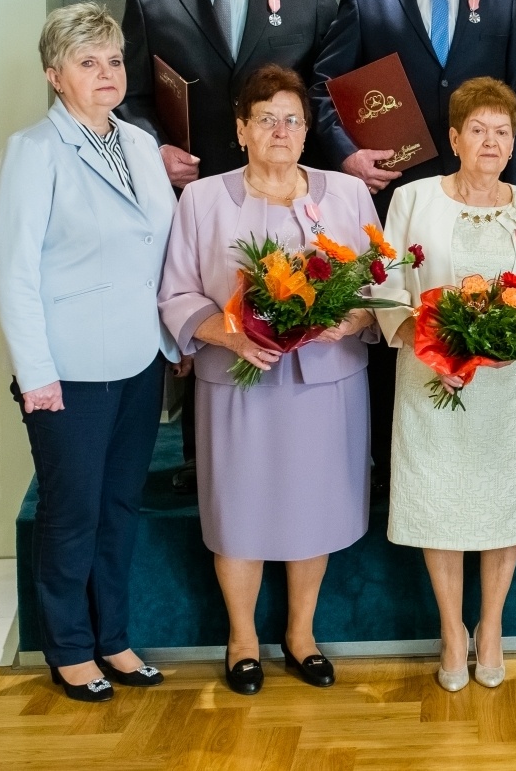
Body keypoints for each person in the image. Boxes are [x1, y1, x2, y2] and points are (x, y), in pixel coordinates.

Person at [311, 0, 516, 493]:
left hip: (486, 201)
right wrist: (347, 157)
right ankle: (394, 475)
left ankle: (482, 473)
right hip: (399, 198)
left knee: (488, 320)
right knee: (398, 326)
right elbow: (324, 89)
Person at [158, 65, 381, 697]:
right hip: (239, 379)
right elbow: (177, 292)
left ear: (307, 132)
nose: (280, 131)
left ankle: (301, 636)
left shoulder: (346, 194)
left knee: (316, 503)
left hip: (326, 380)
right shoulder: (202, 199)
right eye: (265, 119)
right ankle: (243, 640)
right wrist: (229, 335)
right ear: (241, 130)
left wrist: (354, 317)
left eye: (292, 120)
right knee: (239, 509)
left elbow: (382, 282)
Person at [118, 0, 338, 494]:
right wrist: (156, 149)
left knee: (296, 308)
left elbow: (327, 91)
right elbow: (130, 95)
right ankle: (202, 460)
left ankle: (306, 453)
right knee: (211, 317)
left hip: (286, 187)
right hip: (200, 191)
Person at [0, 2, 178, 701]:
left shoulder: (138, 143)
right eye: (87, 61)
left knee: (120, 506)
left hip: (139, 357)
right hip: (66, 368)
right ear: (54, 74)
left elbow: (161, 249)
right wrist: (35, 374)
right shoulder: (34, 151)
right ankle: (69, 647)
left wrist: (172, 340)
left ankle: (114, 638)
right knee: (73, 512)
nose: (107, 73)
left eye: (115, 59)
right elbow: (12, 270)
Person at [374, 77, 516, 692]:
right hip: (433, 378)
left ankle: (492, 625)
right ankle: (452, 629)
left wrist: (508, 346)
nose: (490, 141)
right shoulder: (412, 199)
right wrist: (432, 346)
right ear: (454, 139)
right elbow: (388, 288)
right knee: (441, 502)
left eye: (502, 131)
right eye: (477, 129)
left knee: (503, 502)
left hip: (507, 385)